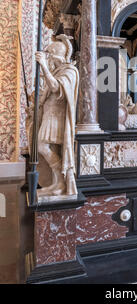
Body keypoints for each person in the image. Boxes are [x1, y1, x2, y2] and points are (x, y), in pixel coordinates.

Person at [34, 34, 79, 197]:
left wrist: (44, 66)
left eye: (49, 56)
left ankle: (61, 182)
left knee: (43, 146)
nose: (48, 59)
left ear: (55, 56)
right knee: (47, 147)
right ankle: (56, 185)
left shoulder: (70, 71)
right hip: (49, 114)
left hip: (57, 117)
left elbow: (55, 88)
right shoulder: (59, 71)